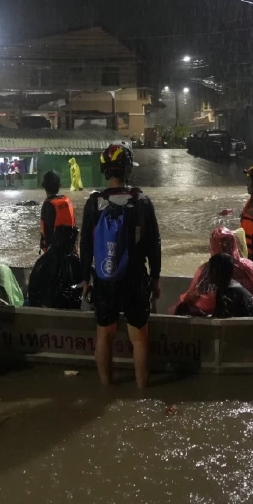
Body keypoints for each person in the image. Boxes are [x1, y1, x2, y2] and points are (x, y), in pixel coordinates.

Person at [78, 144, 161, 388]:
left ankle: (106, 390)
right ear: (127, 169)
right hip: (135, 277)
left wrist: (85, 278)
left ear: (104, 169)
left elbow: (85, 243)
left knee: (104, 334)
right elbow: (154, 242)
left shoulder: (94, 202)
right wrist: (155, 277)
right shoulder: (142, 201)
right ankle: (142, 392)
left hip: (104, 276)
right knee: (139, 338)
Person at [173, 226, 253, 315]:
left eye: (212, 273)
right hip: (250, 312)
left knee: (183, 307)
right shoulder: (249, 266)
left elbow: (190, 297)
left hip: (241, 318)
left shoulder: (212, 271)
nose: (210, 276)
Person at [28, 225, 85, 309]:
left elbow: (32, 289)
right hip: (59, 306)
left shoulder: (44, 259)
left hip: (42, 306)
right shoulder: (72, 261)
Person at [200, 253, 253, 318]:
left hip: (252, 325)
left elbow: (224, 321)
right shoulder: (224, 287)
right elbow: (218, 315)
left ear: (219, 271)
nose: (208, 273)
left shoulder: (230, 292)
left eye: (210, 269)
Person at [39, 170, 76, 253]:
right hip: (70, 252)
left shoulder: (48, 204)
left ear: (43, 186)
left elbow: (47, 233)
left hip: (54, 256)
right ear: (60, 185)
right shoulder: (68, 201)